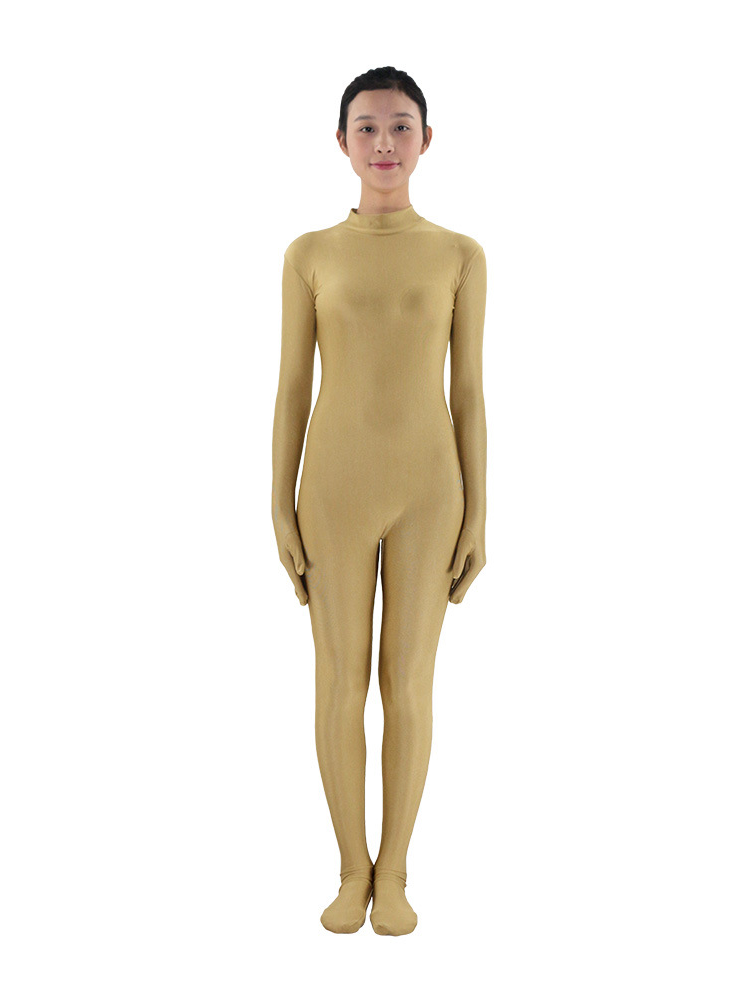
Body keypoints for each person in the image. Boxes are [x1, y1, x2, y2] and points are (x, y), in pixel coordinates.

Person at [271, 66, 487, 935]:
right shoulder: (309, 254)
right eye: (367, 127)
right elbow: (292, 387)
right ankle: (349, 869)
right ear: (342, 142)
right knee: (338, 681)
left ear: (426, 140)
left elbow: (468, 392)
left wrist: (480, 513)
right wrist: (278, 505)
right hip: (332, 492)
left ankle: (393, 872)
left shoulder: (461, 255)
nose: (384, 142)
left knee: (409, 684)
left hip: (432, 492)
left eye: (401, 126)